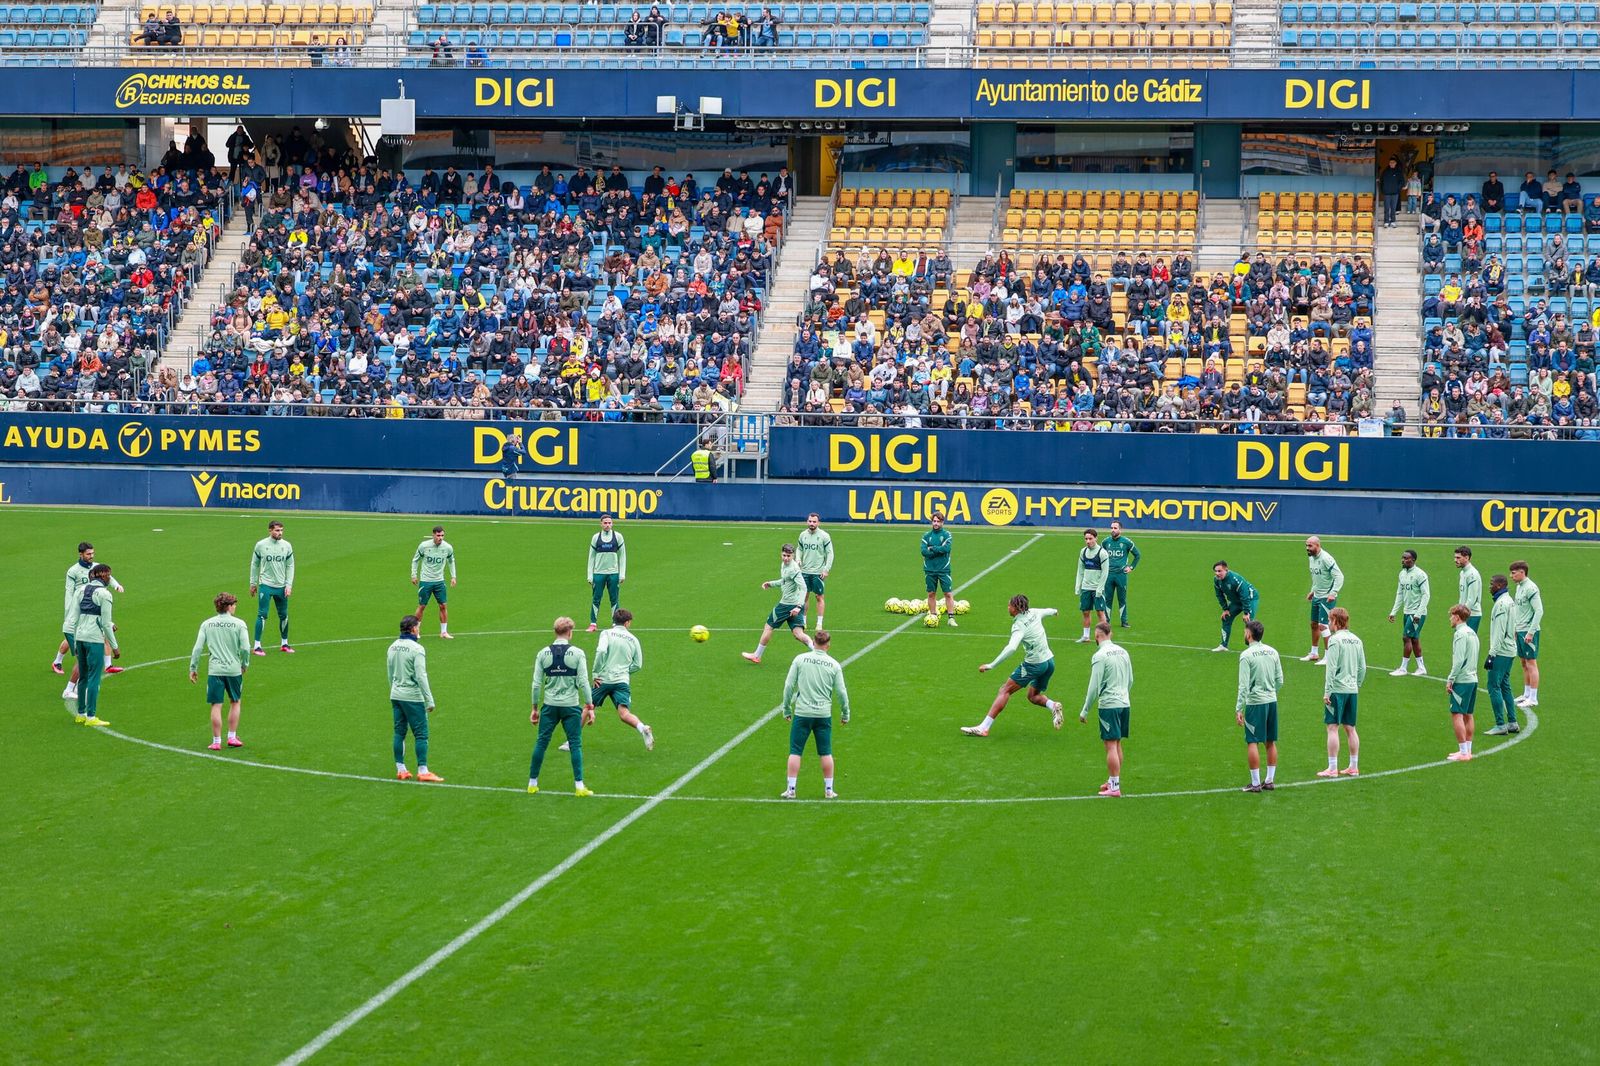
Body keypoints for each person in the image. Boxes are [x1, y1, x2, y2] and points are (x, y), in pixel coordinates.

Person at [961, 594, 1065, 737]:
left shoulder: (1019, 626)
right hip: (1049, 662)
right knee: (1033, 696)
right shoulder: (1034, 612)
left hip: (1034, 665)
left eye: (1009, 605)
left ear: (1016, 608)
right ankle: (1053, 705)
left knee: (1005, 690)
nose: (1008, 607)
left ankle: (984, 728)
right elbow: (1048, 610)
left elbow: (1011, 648)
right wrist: (1055, 611)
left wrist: (992, 665)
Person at [527, 616, 595, 796]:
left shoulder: (542, 653)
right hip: (571, 706)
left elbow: (535, 684)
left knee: (541, 742)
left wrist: (534, 708)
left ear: (555, 632)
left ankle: (532, 783)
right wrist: (590, 706)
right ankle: (579, 786)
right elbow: (583, 683)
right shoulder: (578, 653)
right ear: (570, 633)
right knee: (575, 744)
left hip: (549, 705)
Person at [780, 628, 851, 799]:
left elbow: (789, 686)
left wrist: (787, 708)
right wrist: (845, 713)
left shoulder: (800, 659)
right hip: (823, 715)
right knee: (825, 752)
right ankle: (828, 790)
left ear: (813, 641)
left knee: (795, 751)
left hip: (803, 713)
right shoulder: (834, 665)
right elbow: (841, 692)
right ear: (828, 645)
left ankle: (791, 789)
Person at [56, 541, 126, 700]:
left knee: (87, 657)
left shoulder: (94, 587)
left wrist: (110, 623)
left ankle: (80, 686)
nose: (91, 556)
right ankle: (69, 688)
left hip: (81, 624)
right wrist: (116, 647)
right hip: (75, 625)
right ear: (80, 554)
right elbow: (70, 595)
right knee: (83, 659)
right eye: (88, 554)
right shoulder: (77, 577)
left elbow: (95, 614)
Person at [578, 608, 653, 751]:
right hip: (622, 681)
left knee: (588, 707)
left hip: (603, 679)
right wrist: (624, 671)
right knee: (624, 713)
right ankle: (642, 728)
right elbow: (638, 664)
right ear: (627, 623)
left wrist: (595, 673)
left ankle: (571, 741)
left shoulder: (606, 633)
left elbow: (601, 651)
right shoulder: (634, 639)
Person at [189, 592, 251, 751]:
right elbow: (245, 648)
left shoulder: (207, 624)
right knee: (235, 702)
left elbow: (197, 649)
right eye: (234, 604)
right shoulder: (239, 624)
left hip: (215, 671)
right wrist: (244, 664)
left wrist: (193, 668)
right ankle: (232, 737)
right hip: (233, 670)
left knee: (216, 705)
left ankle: (216, 741)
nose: (235, 607)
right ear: (229, 607)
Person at [1079, 622, 1132, 797]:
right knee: (1117, 743)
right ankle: (1112, 780)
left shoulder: (1099, 655)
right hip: (1124, 703)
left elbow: (1094, 686)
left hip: (1109, 705)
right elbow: (1130, 679)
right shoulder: (1124, 651)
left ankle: (1115, 787)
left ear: (1097, 635)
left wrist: (1085, 710)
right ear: (1111, 633)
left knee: (1110, 745)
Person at [388, 615, 442, 782]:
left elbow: (390, 673)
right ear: (412, 629)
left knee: (399, 732)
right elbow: (421, 676)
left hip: (396, 695)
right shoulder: (417, 649)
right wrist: (429, 699)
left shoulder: (392, 647)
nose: (419, 630)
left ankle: (401, 769)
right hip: (412, 697)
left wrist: (394, 690)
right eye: (418, 627)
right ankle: (423, 770)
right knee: (421, 734)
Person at [66, 563, 119, 727]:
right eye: (108, 575)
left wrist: (73, 640)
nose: (109, 578)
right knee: (94, 679)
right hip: (94, 639)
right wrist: (115, 647)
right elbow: (105, 623)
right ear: (102, 576)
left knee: (82, 677)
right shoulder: (105, 594)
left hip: (80, 638)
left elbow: (72, 618)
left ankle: (80, 714)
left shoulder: (80, 591)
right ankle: (91, 716)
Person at [742, 544, 814, 663]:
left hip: (787, 605)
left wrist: (798, 606)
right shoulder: (785, 565)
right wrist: (771, 583)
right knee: (798, 634)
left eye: (788, 556)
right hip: (794, 605)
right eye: (784, 555)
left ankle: (757, 655)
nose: (786, 558)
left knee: (768, 626)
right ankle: (817, 652)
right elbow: (785, 581)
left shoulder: (794, 569)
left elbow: (804, 588)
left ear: (793, 556)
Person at [1235, 620, 1283, 793]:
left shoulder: (1246, 656)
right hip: (1272, 701)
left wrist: (1239, 708)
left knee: (1252, 741)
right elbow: (1280, 680)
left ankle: (1255, 784)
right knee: (1270, 741)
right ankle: (1269, 780)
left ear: (1249, 634)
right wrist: (1271, 692)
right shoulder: (1273, 652)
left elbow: (1243, 686)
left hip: (1255, 703)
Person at [1318, 607, 1366, 777]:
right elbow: (1362, 668)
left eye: (1330, 620)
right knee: (1351, 728)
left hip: (1337, 689)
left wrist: (1327, 692)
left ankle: (1332, 768)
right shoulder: (1356, 640)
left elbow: (1331, 668)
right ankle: (1354, 766)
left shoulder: (1334, 640)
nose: (1329, 623)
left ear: (1336, 621)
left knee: (1332, 727)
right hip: (1352, 690)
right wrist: (1356, 684)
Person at [248, 520, 295, 656]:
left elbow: (290, 566)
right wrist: (253, 583)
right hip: (266, 585)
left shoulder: (287, 546)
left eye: (281, 530)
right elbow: (254, 564)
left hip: (281, 587)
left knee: (284, 615)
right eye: (277, 530)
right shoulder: (261, 545)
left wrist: (289, 585)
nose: (280, 533)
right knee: (262, 614)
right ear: (270, 530)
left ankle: (284, 643)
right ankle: (257, 646)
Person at [1484, 574, 1521, 735]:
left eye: (1491, 584)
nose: (1489, 586)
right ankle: (1512, 722)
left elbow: (1499, 631)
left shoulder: (1501, 604)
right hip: (1510, 650)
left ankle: (1500, 724)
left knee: (1493, 685)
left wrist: (1492, 654)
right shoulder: (1510, 601)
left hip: (1501, 651)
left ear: (1499, 586)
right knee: (1505, 685)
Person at [1445, 604, 1480, 762]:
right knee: (1468, 714)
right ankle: (1468, 750)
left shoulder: (1460, 634)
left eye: (1451, 616)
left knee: (1457, 714)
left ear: (1457, 617)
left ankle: (1463, 752)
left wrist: (1451, 679)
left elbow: (1458, 660)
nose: (1450, 619)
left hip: (1462, 680)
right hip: (1473, 678)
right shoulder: (1472, 633)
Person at [1387, 549, 1430, 676]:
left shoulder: (1420, 574)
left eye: (1406, 558)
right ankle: (1421, 668)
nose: (1403, 560)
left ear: (1413, 560)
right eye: (1402, 558)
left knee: (1406, 637)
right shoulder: (1402, 574)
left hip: (1416, 613)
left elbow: (1426, 595)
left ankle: (1403, 668)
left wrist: (1418, 613)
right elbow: (1399, 594)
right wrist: (1393, 612)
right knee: (1414, 639)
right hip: (1407, 612)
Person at [410, 525, 457, 638]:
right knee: (422, 606)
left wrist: (453, 576)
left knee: (443, 605)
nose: (440, 538)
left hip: (439, 581)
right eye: (438, 535)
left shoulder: (448, 548)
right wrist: (413, 575)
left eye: (442, 535)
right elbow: (415, 560)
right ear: (433, 535)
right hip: (426, 581)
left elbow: (451, 561)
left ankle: (444, 632)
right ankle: (416, 630)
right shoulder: (424, 546)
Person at [1303, 535, 1344, 662]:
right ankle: (1314, 653)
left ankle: (1328, 656)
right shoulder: (1311, 558)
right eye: (1306, 545)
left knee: (1323, 625)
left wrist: (1333, 592)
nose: (1307, 548)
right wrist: (1312, 591)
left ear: (1317, 545)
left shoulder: (1326, 558)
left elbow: (1339, 576)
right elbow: (1316, 577)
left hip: (1327, 597)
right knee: (1314, 624)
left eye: (1310, 545)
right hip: (1317, 595)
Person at [1510, 560, 1543, 708]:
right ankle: (1526, 693)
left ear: (1522, 572)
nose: (1511, 576)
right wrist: (1516, 629)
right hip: (1520, 629)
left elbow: (1539, 611)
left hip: (1529, 631)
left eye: (1513, 573)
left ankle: (1533, 698)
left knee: (1531, 663)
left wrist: (1531, 631)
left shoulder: (1531, 588)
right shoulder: (1519, 587)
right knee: (1524, 663)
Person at [585, 514, 625, 633]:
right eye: (605, 523)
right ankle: (593, 623)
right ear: (601, 524)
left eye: (609, 523)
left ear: (612, 524)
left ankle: (615, 624)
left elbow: (623, 556)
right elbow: (591, 557)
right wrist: (590, 575)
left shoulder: (618, 537)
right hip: (599, 573)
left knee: (614, 599)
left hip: (613, 573)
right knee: (596, 599)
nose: (607, 525)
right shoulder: (595, 537)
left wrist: (622, 574)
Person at [796, 512, 834, 632]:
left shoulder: (824, 536)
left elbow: (830, 553)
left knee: (819, 597)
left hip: (818, 572)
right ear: (807, 521)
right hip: (805, 571)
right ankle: (803, 621)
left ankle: (819, 623)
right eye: (810, 521)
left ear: (818, 523)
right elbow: (799, 549)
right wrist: (798, 558)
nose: (812, 524)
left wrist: (826, 569)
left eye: (814, 522)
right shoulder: (803, 535)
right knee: (804, 597)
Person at [920, 510, 957, 626]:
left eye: (938, 521)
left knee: (948, 594)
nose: (935, 523)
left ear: (942, 522)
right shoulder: (926, 536)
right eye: (934, 521)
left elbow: (946, 549)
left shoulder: (947, 535)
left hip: (943, 569)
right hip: (930, 569)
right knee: (931, 594)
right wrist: (937, 549)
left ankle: (951, 618)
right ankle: (933, 616)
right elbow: (924, 552)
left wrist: (932, 548)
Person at [1212, 560, 1258, 652]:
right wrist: (1225, 609)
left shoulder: (1235, 579)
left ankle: (1253, 647)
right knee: (1226, 618)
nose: (1217, 573)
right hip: (1236, 601)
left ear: (1226, 570)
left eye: (1219, 571)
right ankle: (1223, 645)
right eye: (1215, 571)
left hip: (1250, 598)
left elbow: (1245, 596)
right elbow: (1219, 595)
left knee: (1249, 622)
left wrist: (1246, 612)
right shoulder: (1217, 580)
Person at [1101, 519, 1140, 628]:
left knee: (1122, 599)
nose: (1113, 530)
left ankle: (1124, 621)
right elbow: (1100, 555)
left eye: (1115, 528)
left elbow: (1137, 555)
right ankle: (1106, 622)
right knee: (1107, 599)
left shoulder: (1126, 542)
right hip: (1108, 575)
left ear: (1120, 530)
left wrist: (1131, 567)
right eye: (1111, 528)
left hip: (1121, 575)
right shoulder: (1105, 542)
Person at [1074, 528, 1111, 641]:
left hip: (1097, 588)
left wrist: (1100, 588)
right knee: (1085, 612)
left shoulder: (1102, 553)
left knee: (1100, 612)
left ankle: (1105, 637)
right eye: (1086, 539)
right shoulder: (1083, 552)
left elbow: (1105, 572)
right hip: (1086, 587)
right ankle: (1086, 636)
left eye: (1090, 538)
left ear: (1096, 538)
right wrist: (1078, 585)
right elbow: (1080, 570)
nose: (1088, 541)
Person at [1454, 545, 1482, 632]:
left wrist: (1461, 615)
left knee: (1468, 643)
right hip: (1464, 613)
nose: (1455, 560)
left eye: (1458, 558)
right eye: (1455, 557)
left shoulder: (1472, 574)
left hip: (1471, 615)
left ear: (1466, 558)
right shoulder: (1463, 573)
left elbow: (1471, 599)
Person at [1379, 156, 1404, 228]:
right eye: (1390, 162)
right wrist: (1383, 190)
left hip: (1395, 193)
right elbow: (1381, 181)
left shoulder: (1398, 171)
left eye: (1393, 162)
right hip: (1386, 193)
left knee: (1393, 208)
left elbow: (1402, 182)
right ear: (1389, 163)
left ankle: (1393, 221)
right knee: (1386, 208)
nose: (1391, 164)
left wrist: (1397, 189)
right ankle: (1386, 221)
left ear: (1395, 163)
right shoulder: (1385, 171)